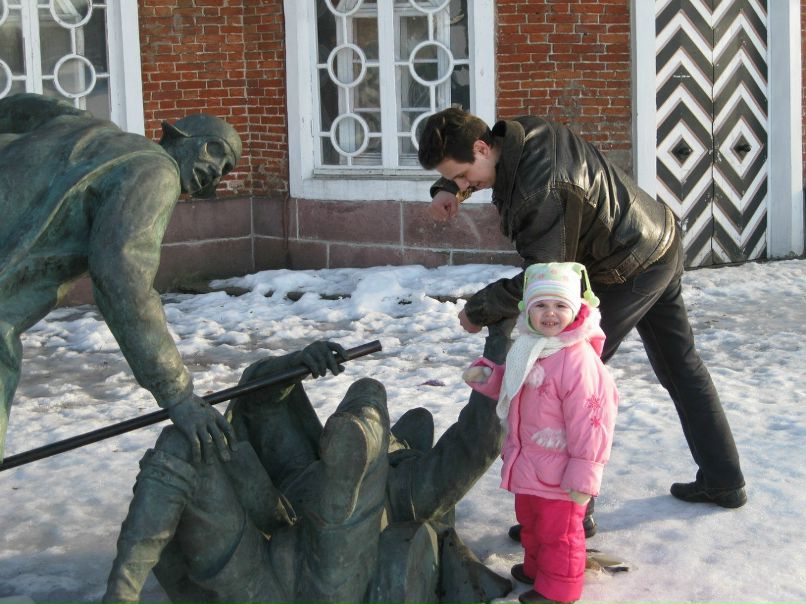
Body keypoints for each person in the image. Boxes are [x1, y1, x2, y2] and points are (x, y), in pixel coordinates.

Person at [417, 107, 746, 519]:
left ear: (483, 148)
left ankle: (570, 518)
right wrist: (448, 188)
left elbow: (546, 279)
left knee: (565, 375)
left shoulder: (541, 190)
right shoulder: (520, 133)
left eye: (464, 176)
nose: (466, 185)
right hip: (656, 239)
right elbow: (476, 167)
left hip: (627, 269)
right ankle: (724, 479)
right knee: (681, 366)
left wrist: (480, 308)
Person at [102, 336, 514, 604]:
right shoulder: (307, 460)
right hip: (259, 564)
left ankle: (362, 430)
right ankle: (120, 594)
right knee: (188, 439)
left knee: (351, 488)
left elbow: (475, 444)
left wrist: (503, 338)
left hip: (320, 573)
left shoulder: (411, 485)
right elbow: (258, 400)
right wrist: (296, 363)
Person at [0, 92, 242, 464]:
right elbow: (123, 281)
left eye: (225, 169)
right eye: (215, 151)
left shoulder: (83, 125)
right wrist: (177, 394)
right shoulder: (155, 171)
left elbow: (16, 107)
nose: (217, 170)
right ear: (179, 137)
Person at [463, 262, 618, 604]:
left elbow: (593, 422)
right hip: (531, 463)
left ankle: (560, 589)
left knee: (559, 533)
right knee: (532, 524)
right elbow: (518, 387)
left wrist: (584, 473)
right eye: (541, 305)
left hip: (563, 473)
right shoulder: (530, 347)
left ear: (576, 309)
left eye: (560, 305)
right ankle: (537, 570)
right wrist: (491, 378)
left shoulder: (578, 361)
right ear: (527, 310)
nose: (550, 313)